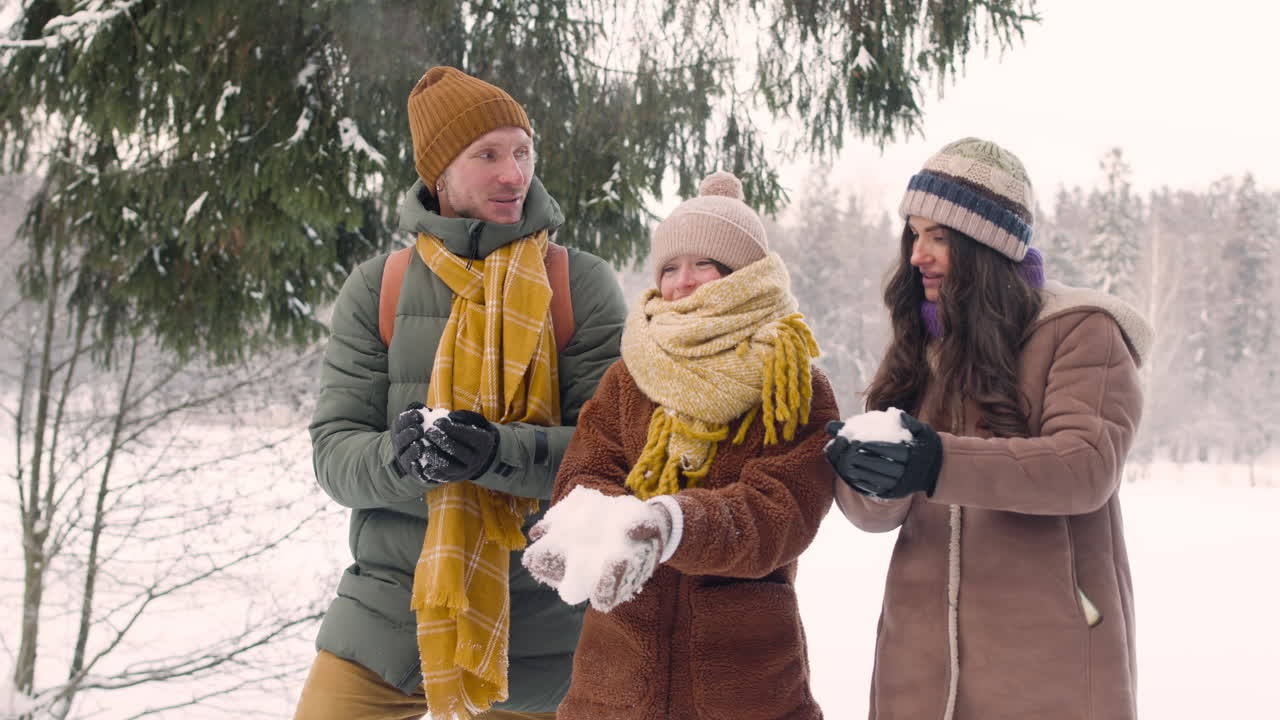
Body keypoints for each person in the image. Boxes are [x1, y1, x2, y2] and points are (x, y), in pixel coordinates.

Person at [296, 66, 627, 720]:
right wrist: (402, 460)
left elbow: (615, 456)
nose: (514, 174)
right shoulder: (378, 287)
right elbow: (333, 454)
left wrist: (494, 455)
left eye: (523, 152)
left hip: (541, 617)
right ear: (439, 173)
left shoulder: (578, 285)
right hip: (392, 603)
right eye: (488, 155)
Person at [825, 138, 1153, 720]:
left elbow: (1083, 467)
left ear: (986, 244)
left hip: (1048, 663)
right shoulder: (920, 342)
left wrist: (935, 463)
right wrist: (867, 478)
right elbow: (879, 514)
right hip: (917, 665)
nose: (918, 254)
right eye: (914, 234)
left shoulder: (1081, 330)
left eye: (940, 237)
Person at [522, 171, 838, 720]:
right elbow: (588, 468)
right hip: (615, 680)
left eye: (704, 264)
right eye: (670, 267)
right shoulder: (631, 375)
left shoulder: (792, 381)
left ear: (744, 276)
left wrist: (675, 524)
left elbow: (781, 510)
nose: (682, 282)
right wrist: (586, 523)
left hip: (744, 687)